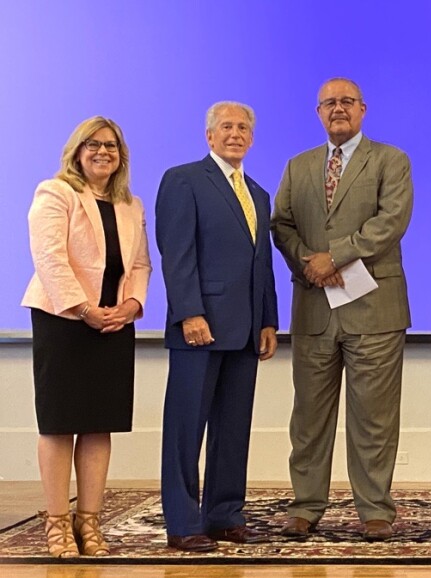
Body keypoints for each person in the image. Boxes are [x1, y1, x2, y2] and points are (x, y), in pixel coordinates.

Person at [271, 77, 413, 542]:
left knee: (373, 417)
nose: (338, 109)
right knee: (308, 417)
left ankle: (375, 510)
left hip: (374, 309)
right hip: (314, 307)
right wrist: (309, 264)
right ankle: (305, 506)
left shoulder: (391, 160)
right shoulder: (299, 165)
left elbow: (390, 222)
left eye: (347, 102)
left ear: (363, 110)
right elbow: (282, 225)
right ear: (317, 112)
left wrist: (335, 254)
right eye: (329, 103)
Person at [21, 117, 151, 558]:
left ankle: (89, 523)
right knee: (60, 424)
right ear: (77, 151)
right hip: (63, 320)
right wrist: (84, 310)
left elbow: (140, 266)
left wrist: (132, 306)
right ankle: (57, 524)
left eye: (111, 146)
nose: (102, 152)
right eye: (92, 145)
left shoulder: (131, 204)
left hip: (114, 322)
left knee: (99, 424)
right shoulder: (55, 193)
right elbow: (50, 258)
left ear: (121, 155)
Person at [155, 101, 278, 552]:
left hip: (245, 331)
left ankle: (224, 515)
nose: (235, 133)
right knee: (186, 428)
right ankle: (184, 521)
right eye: (226, 126)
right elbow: (177, 253)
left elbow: (259, 263)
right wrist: (189, 312)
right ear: (209, 136)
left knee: (232, 428)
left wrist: (268, 319)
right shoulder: (183, 179)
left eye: (243, 127)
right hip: (199, 328)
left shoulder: (258, 193)